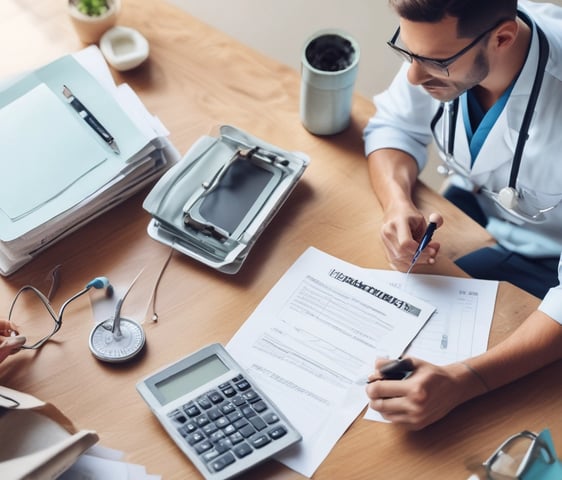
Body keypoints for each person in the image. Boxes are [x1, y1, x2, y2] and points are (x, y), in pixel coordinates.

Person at [363, 0, 562, 429]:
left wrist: (463, 381)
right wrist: (398, 203)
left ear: (503, 37)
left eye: (434, 62)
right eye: (408, 53)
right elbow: (394, 128)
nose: (414, 76)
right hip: (479, 213)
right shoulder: (446, 39)